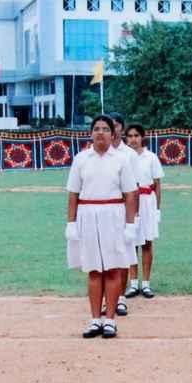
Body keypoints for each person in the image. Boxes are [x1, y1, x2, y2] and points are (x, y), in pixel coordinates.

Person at [65, 115, 139, 338]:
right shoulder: (81, 159)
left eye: (105, 129)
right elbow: (73, 194)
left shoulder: (122, 159)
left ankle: (110, 320)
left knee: (113, 269)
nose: (100, 132)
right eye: (96, 128)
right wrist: (71, 223)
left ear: (113, 134)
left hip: (113, 215)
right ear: (90, 133)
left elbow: (130, 194)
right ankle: (95, 319)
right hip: (88, 215)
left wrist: (130, 224)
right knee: (94, 270)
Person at [123, 124, 164, 299]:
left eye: (136, 135)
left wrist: (157, 210)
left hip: (147, 201)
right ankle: (133, 283)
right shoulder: (123, 157)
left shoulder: (151, 157)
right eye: (130, 136)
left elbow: (158, 185)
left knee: (147, 243)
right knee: (131, 242)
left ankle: (146, 283)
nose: (133, 139)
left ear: (142, 137)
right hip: (131, 201)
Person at [107, 112, 141, 316]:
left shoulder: (129, 155)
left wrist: (134, 216)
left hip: (123, 209)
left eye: (116, 125)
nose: (113, 129)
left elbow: (134, 189)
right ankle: (107, 298)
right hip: (105, 211)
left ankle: (120, 298)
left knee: (123, 255)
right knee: (106, 256)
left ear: (121, 128)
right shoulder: (98, 152)